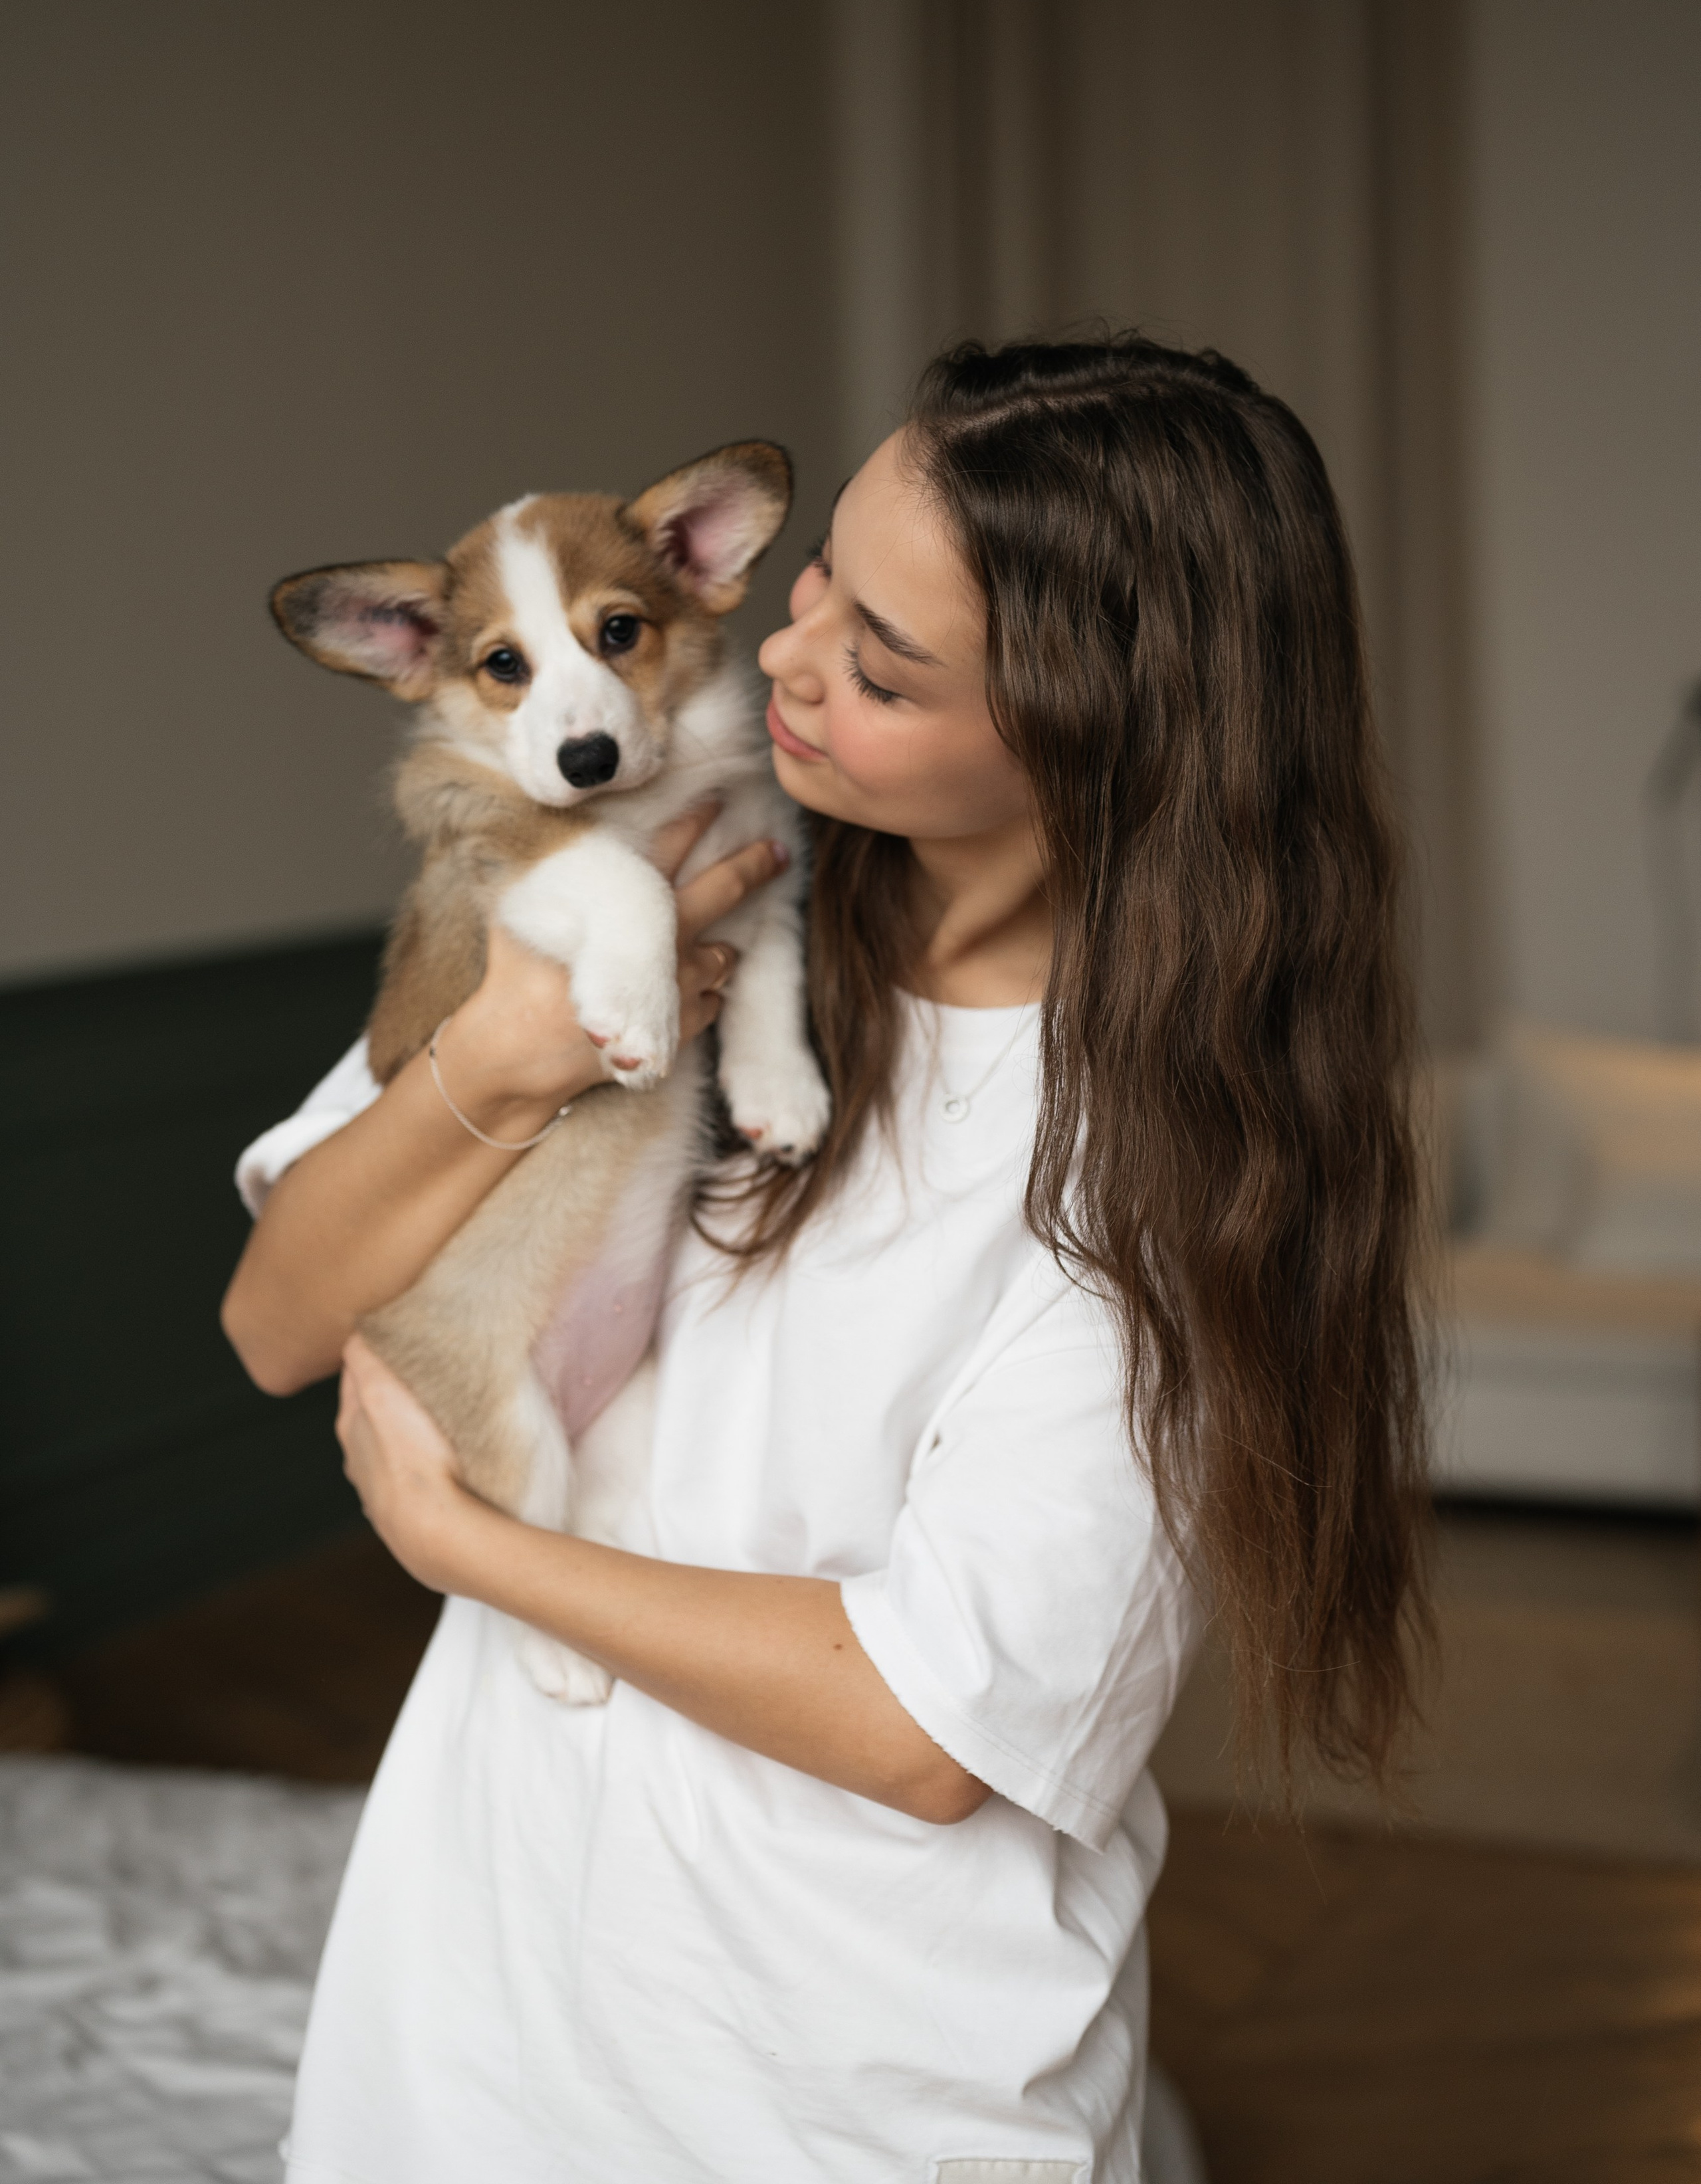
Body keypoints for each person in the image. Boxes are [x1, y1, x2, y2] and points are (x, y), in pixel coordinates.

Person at [223, 334, 1429, 2184]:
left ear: (1092, 732)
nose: (772, 655)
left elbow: (927, 1724)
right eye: (814, 588)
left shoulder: (1170, 1170)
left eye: (876, 661)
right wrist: (508, 1056)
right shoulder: (665, 882)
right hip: (471, 2024)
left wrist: (472, 1549)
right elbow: (279, 1318)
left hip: (829, 2085)